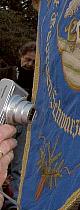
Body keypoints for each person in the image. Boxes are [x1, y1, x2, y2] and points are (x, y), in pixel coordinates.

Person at [8, 41, 36, 198]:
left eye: (33, 61)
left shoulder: (39, 81)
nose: (29, 64)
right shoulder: (8, 73)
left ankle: (15, 203)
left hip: (26, 125)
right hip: (5, 122)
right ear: (21, 56)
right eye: (27, 59)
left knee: (19, 166)